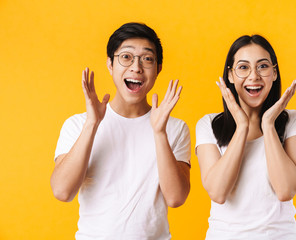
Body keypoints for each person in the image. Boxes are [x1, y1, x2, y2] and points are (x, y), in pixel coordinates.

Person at [51, 22, 191, 240]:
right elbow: (62, 191)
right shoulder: (78, 124)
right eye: (126, 57)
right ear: (110, 64)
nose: (136, 67)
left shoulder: (175, 128)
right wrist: (92, 124)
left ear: (158, 68)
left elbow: (176, 198)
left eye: (147, 59)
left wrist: (159, 133)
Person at [195, 35, 296, 239]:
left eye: (263, 66)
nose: (254, 76)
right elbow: (218, 192)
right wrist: (242, 126)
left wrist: (268, 124)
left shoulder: (295, 121)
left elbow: (285, 190)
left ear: (274, 73)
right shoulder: (209, 124)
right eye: (243, 67)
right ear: (230, 75)